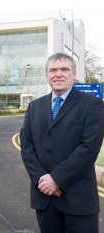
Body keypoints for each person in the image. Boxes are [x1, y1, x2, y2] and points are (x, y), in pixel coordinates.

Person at [20, 52, 104, 233]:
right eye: (53, 70)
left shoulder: (92, 105)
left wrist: (56, 179)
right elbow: (26, 147)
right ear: (47, 75)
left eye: (64, 69)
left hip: (78, 201)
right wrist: (42, 181)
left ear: (74, 74)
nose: (58, 74)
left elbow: (88, 149)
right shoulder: (34, 107)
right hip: (45, 199)